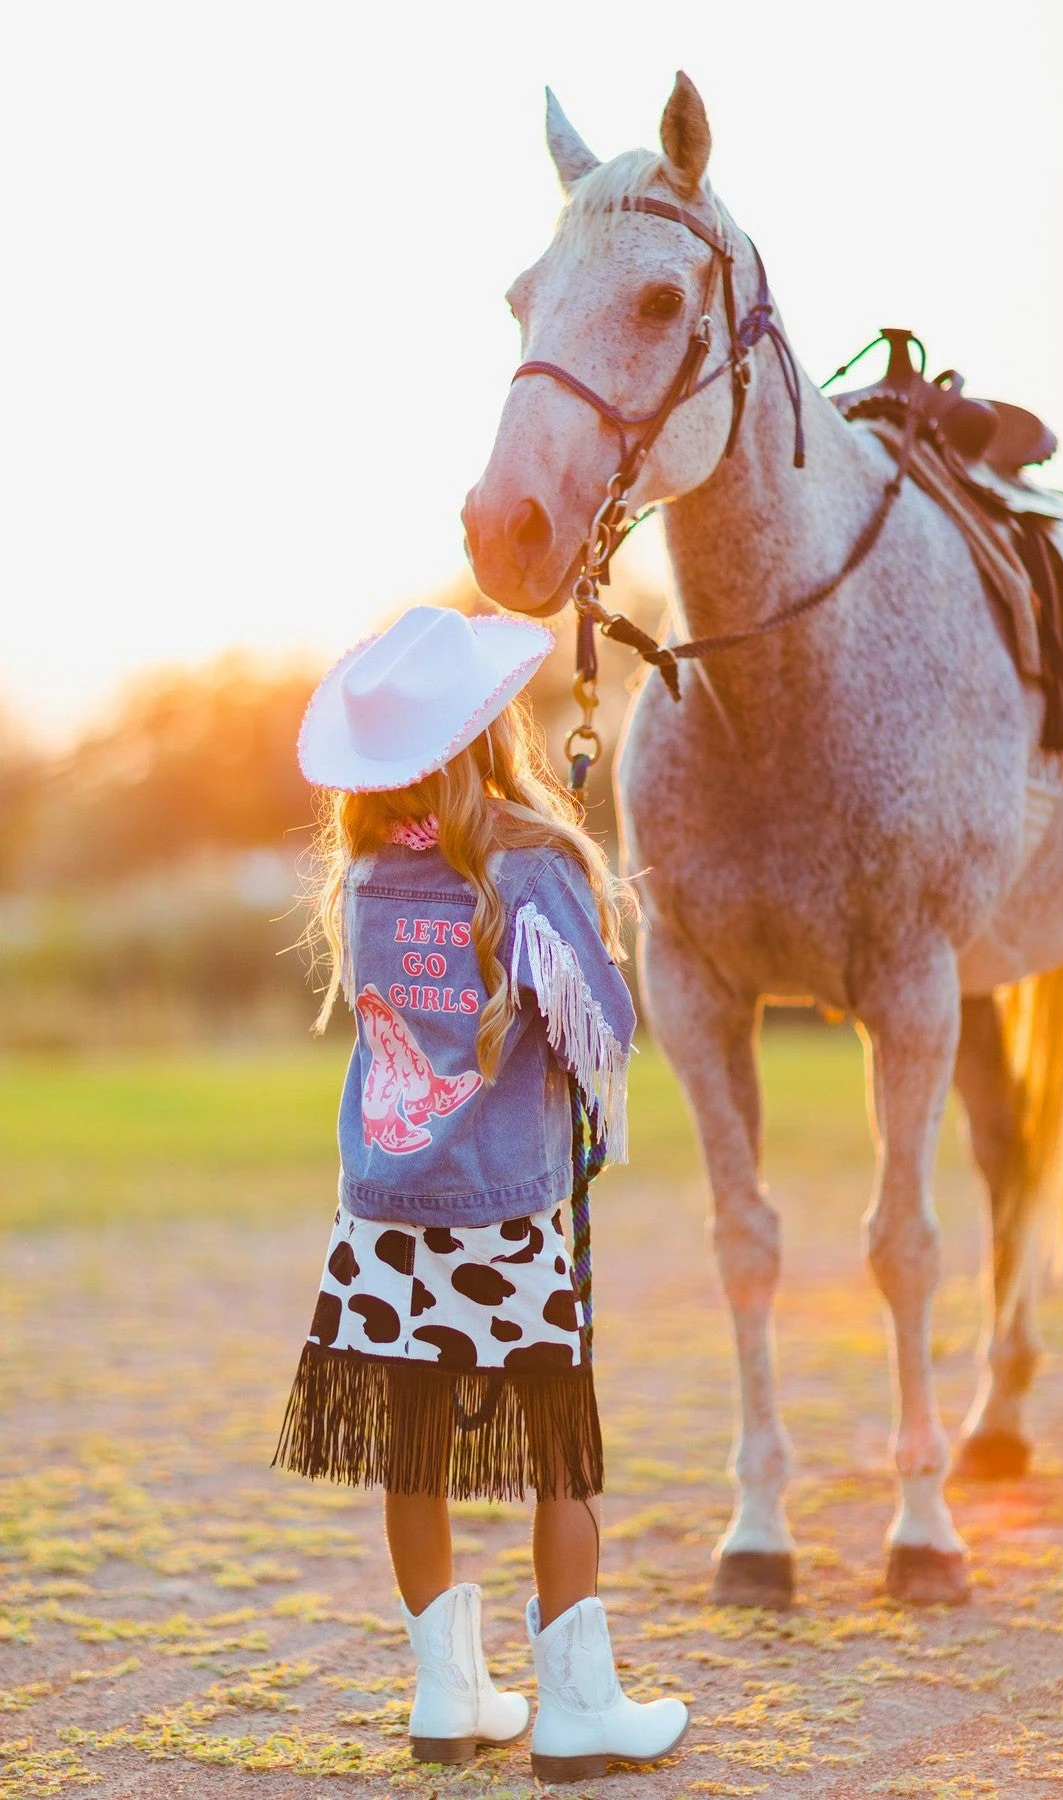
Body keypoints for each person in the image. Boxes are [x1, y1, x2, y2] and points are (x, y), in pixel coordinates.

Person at [274, 605, 689, 1783]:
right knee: (559, 1455)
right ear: (489, 731)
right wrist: (584, 923)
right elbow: (598, 1030)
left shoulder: (364, 878)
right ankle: (575, 1706)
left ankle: (447, 1698)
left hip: (385, 1222)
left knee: (415, 1451)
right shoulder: (530, 869)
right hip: (504, 1220)